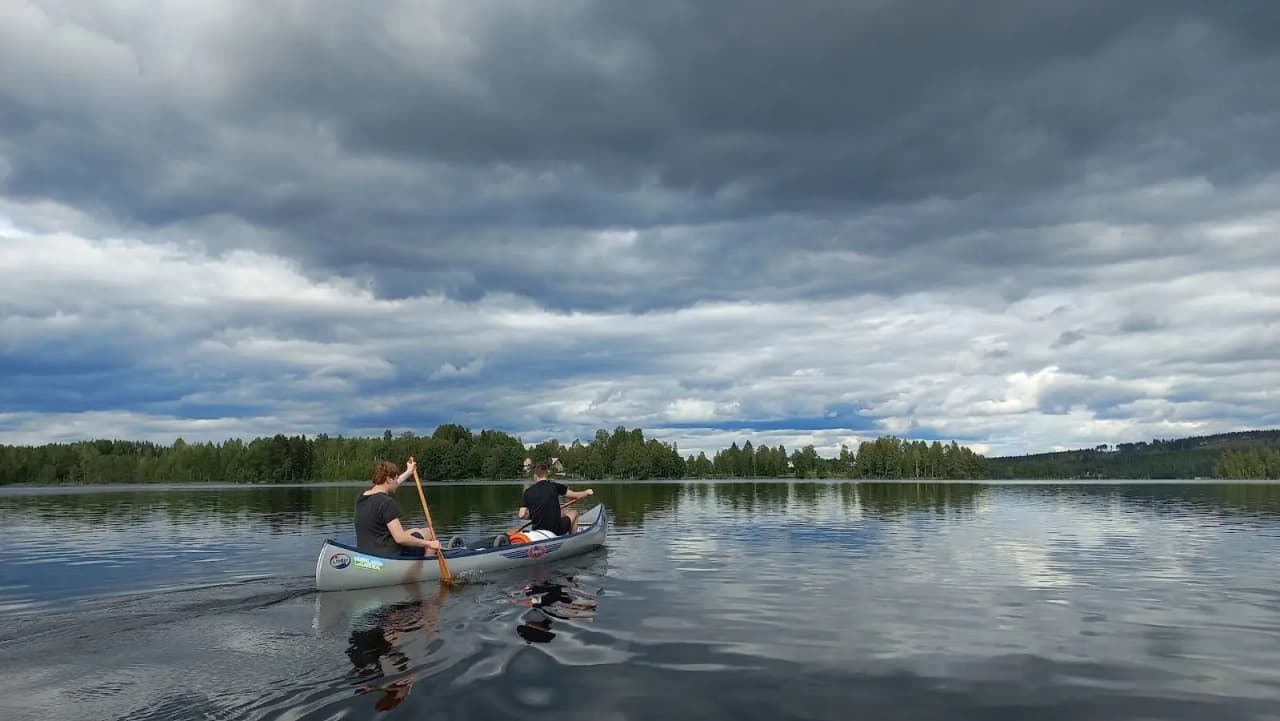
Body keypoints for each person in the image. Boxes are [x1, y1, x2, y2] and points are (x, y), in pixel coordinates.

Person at [355, 458, 442, 557]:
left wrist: (409, 471)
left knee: (415, 530)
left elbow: (392, 484)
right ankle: (425, 568)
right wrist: (429, 544)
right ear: (388, 479)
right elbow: (400, 538)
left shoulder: (362, 496)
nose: (397, 482)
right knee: (429, 533)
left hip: (366, 552)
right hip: (389, 555)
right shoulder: (386, 502)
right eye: (395, 478)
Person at [518, 463, 594, 536]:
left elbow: (521, 515)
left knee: (563, 513)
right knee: (574, 513)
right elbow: (576, 496)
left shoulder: (528, 492)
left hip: (537, 530)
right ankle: (572, 539)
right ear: (546, 474)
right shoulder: (555, 486)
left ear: (535, 476)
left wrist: (534, 515)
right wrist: (586, 492)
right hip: (555, 530)